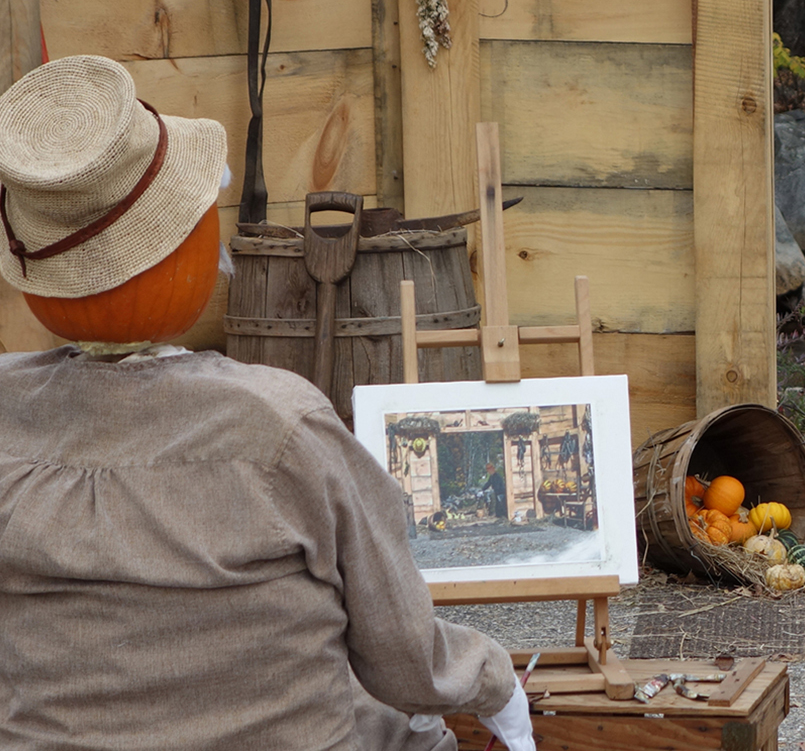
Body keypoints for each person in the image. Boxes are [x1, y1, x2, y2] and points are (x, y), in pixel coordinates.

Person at [0, 55, 535, 750]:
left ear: (33, 277)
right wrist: (497, 682)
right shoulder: (284, 427)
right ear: (186, 248)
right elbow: (408, 658)